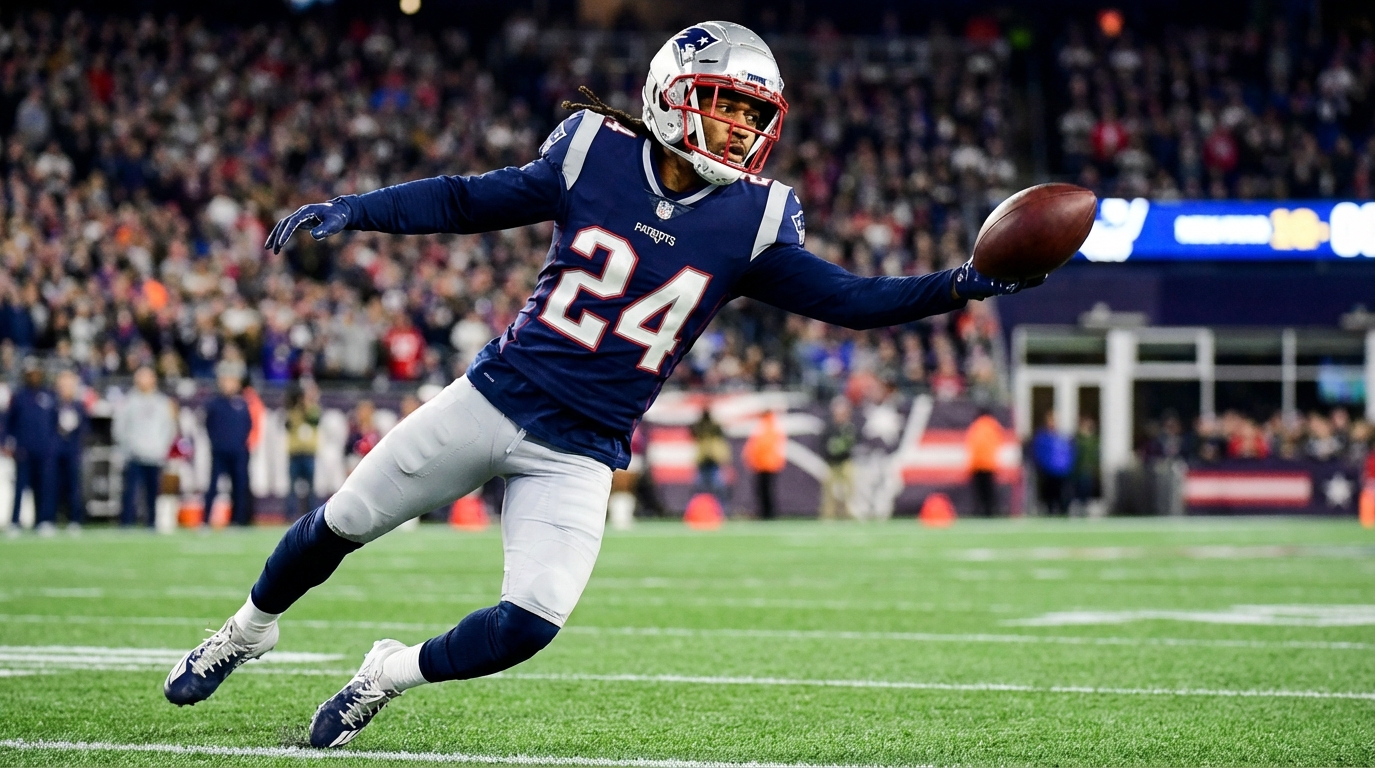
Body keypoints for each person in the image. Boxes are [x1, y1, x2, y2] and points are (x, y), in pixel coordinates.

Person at [163, 21, 1043, 748]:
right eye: (723, 108)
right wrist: (360, 207)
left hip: (580, 449)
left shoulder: (758, 218)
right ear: (672, 96)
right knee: (340, 525)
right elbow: (470, 200)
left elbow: (850, 300)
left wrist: (959, 285)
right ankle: (247, 631)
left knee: (531, 623)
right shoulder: (593, 151)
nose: (739, 131)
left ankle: (386, 671)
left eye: (751, 116)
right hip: (496, 395)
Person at [114, 366, 178, 528]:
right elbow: (119, 427)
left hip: (155, 455)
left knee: (153, 493)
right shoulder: (128, 401)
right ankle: (126, 524)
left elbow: (169, 428)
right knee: (130, 493)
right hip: (134, 455)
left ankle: (152, 523)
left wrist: (162, 448)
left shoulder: (162, 402)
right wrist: (127, 447)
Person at [4, 360, 56, 535]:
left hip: (44, 450)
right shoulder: (19, 396)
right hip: (23, 450)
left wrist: (51, 444)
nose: (34, 376)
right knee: (20, 487)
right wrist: (7, 442)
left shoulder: (49, 395)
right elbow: (8, 422)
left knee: (44, 487)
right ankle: (14, 522)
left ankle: (43, 521)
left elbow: (54, 422)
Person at [202, 362, 253, 527]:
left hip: (238, 452)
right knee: (213, 487)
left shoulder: (242, 403)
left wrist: (240, 443)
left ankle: (237, 520)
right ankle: (205, 520)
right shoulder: (215, 403)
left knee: (239, 487)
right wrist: (216, 442)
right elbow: (208, 424)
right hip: (219, 451)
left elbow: (248, 425)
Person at [52, 370, 88, 530]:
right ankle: (49, 519)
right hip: (54, 450)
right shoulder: (52, 404)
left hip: (73, 450)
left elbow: (86, 428)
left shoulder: (79, 405)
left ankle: (75, 519)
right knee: (52, 486)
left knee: (74, 486)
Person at [284, 383, 321, 523]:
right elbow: (288, 424)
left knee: (311, 488)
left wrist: (308, 403)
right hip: (295, 452)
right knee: (292, 487)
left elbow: (314, 419)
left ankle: (311, 516)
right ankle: (290, 515)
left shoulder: (313, 409)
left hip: (308, 452)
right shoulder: (292, 411)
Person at [818, 396, 857, 520]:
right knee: (829, 492)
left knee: (849, 490)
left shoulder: (849, 427)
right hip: (831, 463)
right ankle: (828, 515)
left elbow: (854, 444)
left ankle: (848, 514)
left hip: (845, 461)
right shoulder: (829, 428)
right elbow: (822, 444)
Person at [744, 410, 787, 519]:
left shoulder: (766, 427)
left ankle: (768, 513)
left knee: (765, 490)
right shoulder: (770, 426)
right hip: (766, 463)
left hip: (766, 464)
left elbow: (761, 447)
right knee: (764, 490)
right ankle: (766, 512)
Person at [1031, 412, 1075, 516]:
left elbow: (1068, 453)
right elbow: (1039, 453)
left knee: (1062, 492)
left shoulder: (1061, 437)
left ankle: (1062, 511)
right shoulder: (1043, 437)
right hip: (1048, 470)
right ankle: (1050, 511)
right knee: (1049, 493)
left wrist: (1068, 466)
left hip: (1061, 470)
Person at [965, 408, 1003, 517]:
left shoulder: (976, 426)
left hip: (977, 464)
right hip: (989, 463)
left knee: (979, 492)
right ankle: (991, 511)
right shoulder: (994, 426)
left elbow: (971, 445)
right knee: (989, 491)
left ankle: (980, 511)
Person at [691, 408, 730, 502]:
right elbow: (693, 431)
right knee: (700, 486)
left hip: (713, 459)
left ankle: (720, 508)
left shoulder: (715, 427)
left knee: (717, 486)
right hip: (703, 459)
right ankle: (700, 506)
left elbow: (719, 432)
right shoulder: (700, 427)